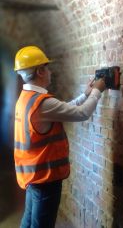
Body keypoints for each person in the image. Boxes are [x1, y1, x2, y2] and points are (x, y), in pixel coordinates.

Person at [14, 46, 106, 228]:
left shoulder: (27, 98)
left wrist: (85, 94)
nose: (49, 73)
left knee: (28, 221)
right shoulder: (43, 103)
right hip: (45, 178)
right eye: (47, 68)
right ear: (40, 71)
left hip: (31, 175)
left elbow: (63, 108)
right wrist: (98, 90)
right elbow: (81, 114)